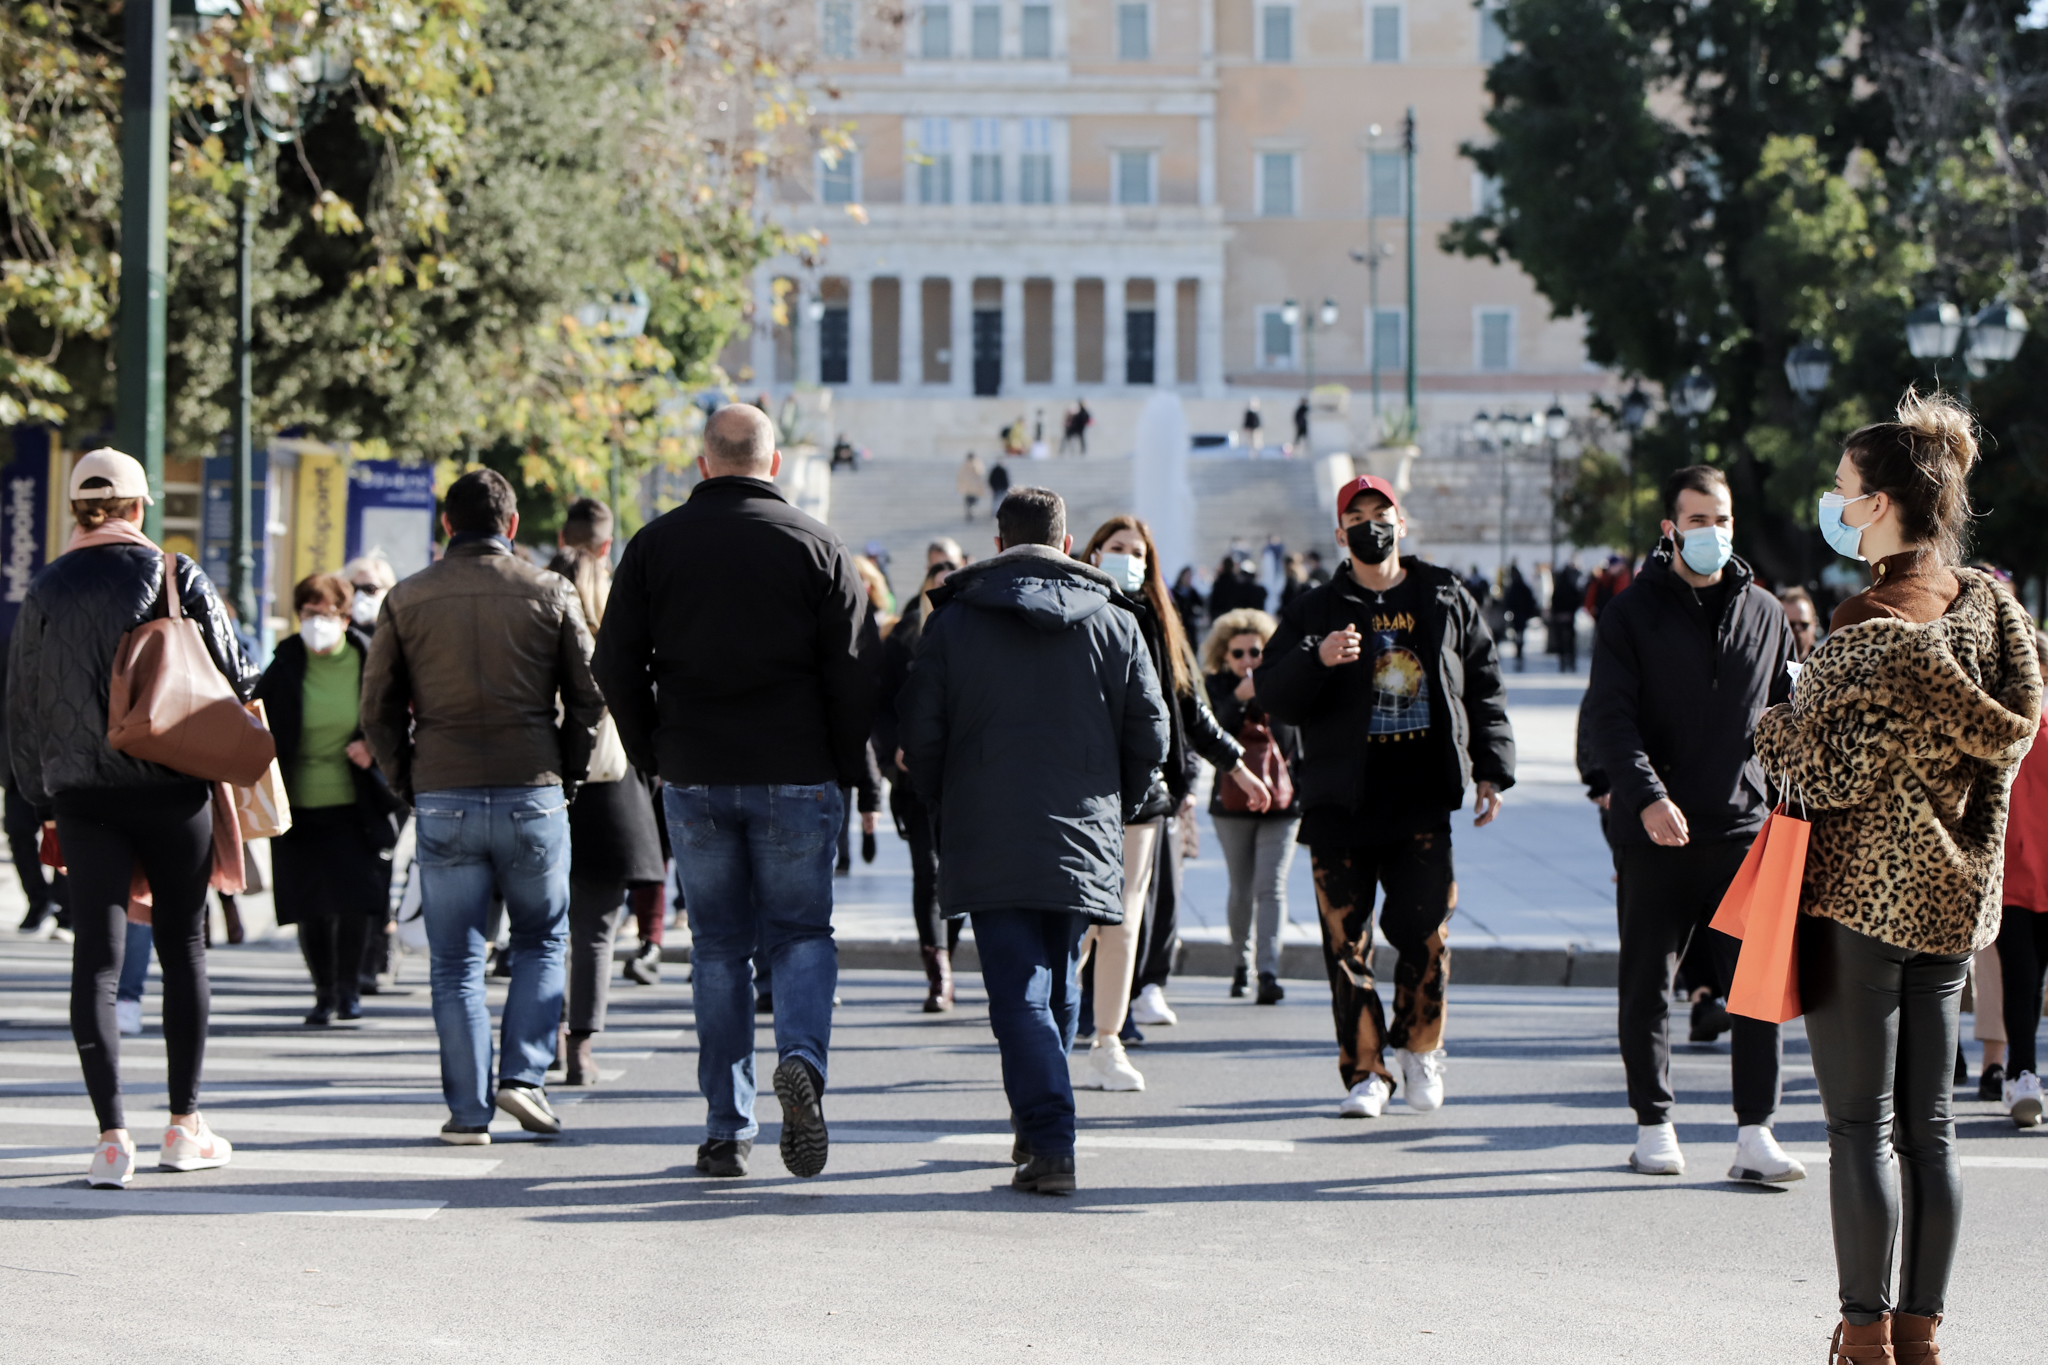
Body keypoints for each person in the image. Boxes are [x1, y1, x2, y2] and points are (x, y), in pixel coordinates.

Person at [1753, 391, 2041, 1363]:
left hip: (1858, 904)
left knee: (1855, 1131)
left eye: (1841, 490)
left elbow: (1811, 772)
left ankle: (1865, 1335)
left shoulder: (1863, 626)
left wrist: (1769, 721)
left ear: (1878, 506)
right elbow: (2011, 736)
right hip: (1953, 906)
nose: (1834, 504)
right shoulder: (1995, 610)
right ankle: (1919, 1336)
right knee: (1932, 1132)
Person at [594, 403, 874, 1181]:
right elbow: (856, 671)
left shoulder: (655, 545)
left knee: (718, 947)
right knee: (801, 935)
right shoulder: (818, 545)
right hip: (796, 769)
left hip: (698, 772)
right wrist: (849, 769)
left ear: (704, 462)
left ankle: (726, 1128)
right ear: (774, 464)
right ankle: (803, 1064)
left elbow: (613, 665)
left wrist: (658, 753)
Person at [898, 486, 1171, 1193]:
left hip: (988, 825)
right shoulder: (1115, 620)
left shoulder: (955, 621)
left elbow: (921, 734)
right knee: (1055, 981)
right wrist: (1119, 803)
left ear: (997, 542)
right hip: (1083, 825)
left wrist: (945, 797)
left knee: (1020, 990)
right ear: (1068, 540)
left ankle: (1049, 1136)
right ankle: (1037, 1122)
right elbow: (1153, 733)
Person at [6, 448, 259, 1187]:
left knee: (97, 960)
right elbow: (239, 672)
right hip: (172, 786)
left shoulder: (46, 585)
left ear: (77, 510)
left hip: (83, 798)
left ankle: (110, 1139)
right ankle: (184, 1124)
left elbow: (19, 703)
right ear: (140, 506)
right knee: (184, 946)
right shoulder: (176, 574)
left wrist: (39, 797)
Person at [1257, 474, 1514, 1119]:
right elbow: (1273, 695)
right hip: (1340, 802)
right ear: (1340, 533)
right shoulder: (1316, 608)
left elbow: (1482, 683)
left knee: (1426, 931)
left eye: (1383, 512)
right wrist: (1317, 659)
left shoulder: (1444, 594)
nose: (1372, 524)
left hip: (1421, 797)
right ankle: (1365, 1072)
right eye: (1357, 515)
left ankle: (1419, 1046)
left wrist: (1493, 769)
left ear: (1403, 524)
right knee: (1346, 948)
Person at [361, 468, 605, 1146]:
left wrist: (409, 778)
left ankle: (468, 1112)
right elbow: (589, 696)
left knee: (456, 961)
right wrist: (569, 773)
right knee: (542, 938)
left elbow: (376, 705)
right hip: (533, 786)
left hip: (444, 788)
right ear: (513, 526)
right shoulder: (548, 589)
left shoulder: (407, 597)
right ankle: (523, 1076)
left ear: (446, 525)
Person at [1582, 465, 1799, 1183]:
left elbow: (1783, 717)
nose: (1714, 532)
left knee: (1755, 989)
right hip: (1655, 833)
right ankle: (1654, 1123)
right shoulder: (1629, 614)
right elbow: (1610, 718)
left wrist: (1787, 801)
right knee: (1648, 983)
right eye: (1699, 519)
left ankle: (1755, 1132)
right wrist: (1645, 796)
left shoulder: (1765, 614)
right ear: (1670, 526)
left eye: (1724, 518)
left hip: (1741, 829)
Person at [1077, 515, 1265, 1086]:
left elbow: (1192, 709)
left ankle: (1109, 1037)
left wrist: (1238, 765)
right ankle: (1053, 1023)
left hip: (1146, 791)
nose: (1128, 558)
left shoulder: (1161, 622)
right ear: (1093, 552)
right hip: (1080, 788)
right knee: (1077, 922)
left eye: (1138, 551)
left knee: (1127, 916)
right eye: (1116, 548)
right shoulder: (1073, 611)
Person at [546, 499, 666, 1087]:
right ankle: (580, 1047)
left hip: (544, 781)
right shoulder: (620, 624)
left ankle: (541, 1037)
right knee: (594, 928)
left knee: (542, 927)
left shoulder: (537, 607)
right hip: (610, 786)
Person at [254, 573, 406, 1027]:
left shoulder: (369, 659)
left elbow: (399, 714)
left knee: (356, 900)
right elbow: (258, 721)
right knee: (311, 906)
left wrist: (372, 747)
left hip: (355, 802)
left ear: (344, 617)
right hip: (298, 803)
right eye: (308, 614)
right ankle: (323, 992)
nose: (316, 623)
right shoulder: (285, 663)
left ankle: (349, 988)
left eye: (325, 614)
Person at [874, 558, 961, 1010]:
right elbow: (881, 705)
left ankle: (950, 950)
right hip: (914, 783)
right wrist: (895, 750)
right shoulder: (903, 637)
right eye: (937, 587)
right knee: (926, 872)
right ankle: (939, 970)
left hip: (964, 782)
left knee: (959, 872)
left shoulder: (978, 634)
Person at [1203, 607, 1302, 1004]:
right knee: (1241, 889)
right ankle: (1240, 965)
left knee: (1270, 887)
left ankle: (1268, 972)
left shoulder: (1282, 684)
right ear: (1224, 658)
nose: (1248, 661)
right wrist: (1239, 700)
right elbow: (1211, 735)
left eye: (1255, 652)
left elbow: (1291, 738)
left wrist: (1264, 693)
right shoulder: (1215, 686)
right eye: (1238, 654)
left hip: (1281, 805)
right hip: (1231, 802)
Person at [1993, 628, 2048, 1125]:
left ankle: (2023, 1072)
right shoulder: (2000, 723)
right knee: (2022, 979)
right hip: (2011, 881)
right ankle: (2021, 1075)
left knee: (2033, 985)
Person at [342, 552, 401, 993]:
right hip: (345, 772)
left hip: (385, 772)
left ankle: (378, 952)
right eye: (356, 587)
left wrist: (377, 748)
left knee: (382, 864)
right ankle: (354, 959)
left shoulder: (398, 634)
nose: (364, 596)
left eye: (373, 587)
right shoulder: (338, 641)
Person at [1501, 562, 1539, 672]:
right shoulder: (1522, 587)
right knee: (1520, 632)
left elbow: (1508, 600)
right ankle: (1519, 649)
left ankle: (1518, 649)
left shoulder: (1513, 587)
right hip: (1521, 614)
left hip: (1517, 614)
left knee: (1517, 632)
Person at [1548, 557, 1584, 673]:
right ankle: (1571, 661)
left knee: (1561, 641)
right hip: (1569, 617)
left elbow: (1554, 602)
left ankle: (1563, 661)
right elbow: (1577, 600)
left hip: (1559, 618)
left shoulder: (1558, 588)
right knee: (1570, 641)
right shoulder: (1571, 587)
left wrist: (1555, 614)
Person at [1780, 586, 1821, 663]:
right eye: (1790, 625)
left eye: (1804, 624)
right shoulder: (1767, 665)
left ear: (1813, 625)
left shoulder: (1827, 665)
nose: (1797, 629)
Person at [957, 452, 986, 522]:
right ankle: (972, 512)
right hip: (974, 489)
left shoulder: (964, 466)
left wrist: (960, 487)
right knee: (973, 502)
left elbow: (960, 478)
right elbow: (981, 477)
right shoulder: (978, 465)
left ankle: (969, 512)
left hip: (967, 489)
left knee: (968, 502)